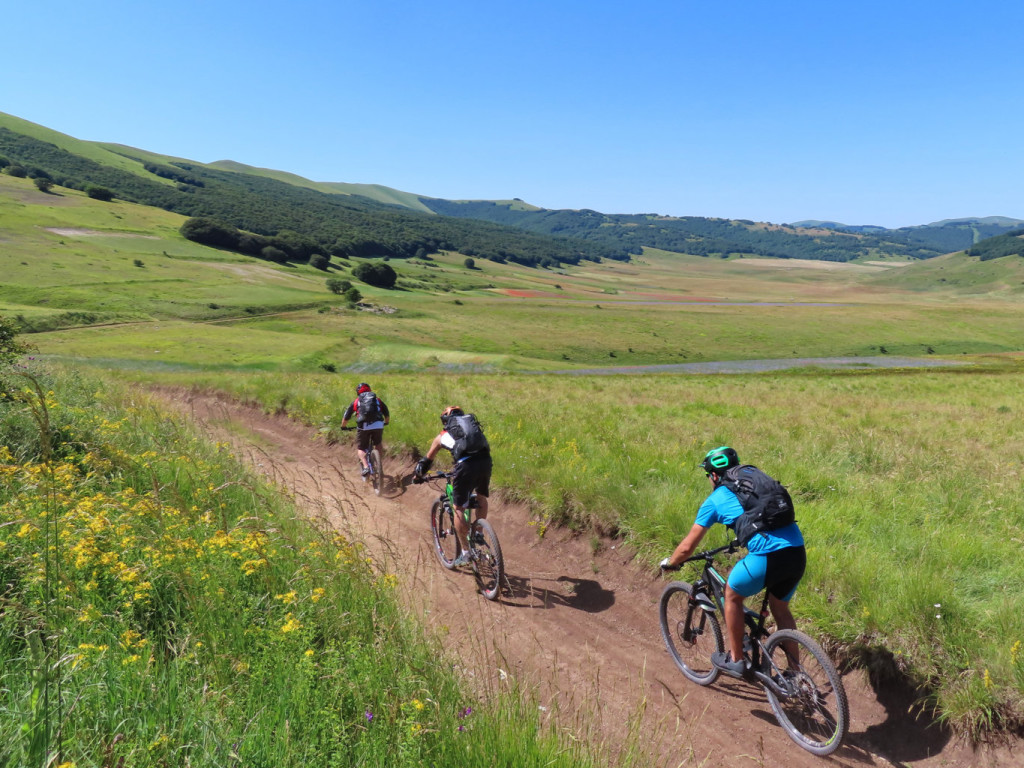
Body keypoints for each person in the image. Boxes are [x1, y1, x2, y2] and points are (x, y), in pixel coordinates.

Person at [660, 446, 805, 678]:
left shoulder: (716, 499)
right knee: (780, 608)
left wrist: (672, 563)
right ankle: (796, 672)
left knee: (732, 594)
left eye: (708, 476)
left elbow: (687, 547)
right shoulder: (754, 485)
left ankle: (736, 660)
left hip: (767, 556)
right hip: (797, 552)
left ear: (714, 475)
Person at [414, 406, 492, 567]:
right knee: (480, 497)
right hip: (485, 461)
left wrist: (418, 476)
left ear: (445, 421)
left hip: (465, 466)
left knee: (458, 507)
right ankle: (478, 533)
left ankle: (465, 553)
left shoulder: (443, 435)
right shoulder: (473, 428)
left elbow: (426, 461)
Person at [340, 383, 390, 479]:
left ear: (358, 392)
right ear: (370, 390)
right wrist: (386, 422)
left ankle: (366, 467)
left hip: (364, 426)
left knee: (361, 448)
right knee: (378, 443)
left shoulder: (357, 401)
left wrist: (343, 427)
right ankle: (379, 465)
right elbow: (386, 412)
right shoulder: (377, 400)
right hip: (378, 424)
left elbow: (346, 416)